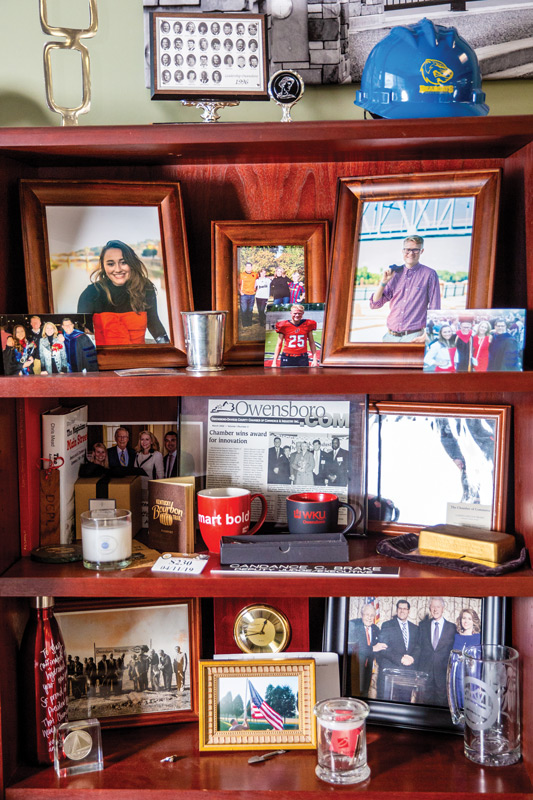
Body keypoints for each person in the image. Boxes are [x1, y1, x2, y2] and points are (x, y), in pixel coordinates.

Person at [77, 239, 170, 346]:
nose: (118, 269)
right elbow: (81, 334)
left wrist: (169, 350)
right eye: (111, 264)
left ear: (131, 263)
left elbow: (154, 323)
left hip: (138, 357)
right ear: (103, 266)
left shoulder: (145, 287)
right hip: (105, 359)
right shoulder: (91, 293)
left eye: (124, 262)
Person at [369, 235, 441, 343]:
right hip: (389, 337)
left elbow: (435, 308)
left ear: (421, 251)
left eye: (415, 250)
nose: (411, 253)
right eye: (408, 249)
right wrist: (383, 282)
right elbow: (375, 304)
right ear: (403, 251)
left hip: (414, 337)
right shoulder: (394, 274)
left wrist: (427, 335)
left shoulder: (430, 274)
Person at [376, 600, 421, 699]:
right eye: (400, 608)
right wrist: (400, 659)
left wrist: (412, 658)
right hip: (390, 673)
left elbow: (418, 647)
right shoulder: (387, 625)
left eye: (405, 608)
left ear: (408, 611)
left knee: (404, 704)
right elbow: (383, 649)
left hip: (407, 674)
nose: (402, 611)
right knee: (385, 703)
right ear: (397, 610)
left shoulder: (415, 628)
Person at [418, 597, 456, 705]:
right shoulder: (422, 625)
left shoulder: (452, 628)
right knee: (425, 704)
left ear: (443, 608)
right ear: (430, 608)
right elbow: (419, 647)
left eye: (438, 606)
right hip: (425, 672)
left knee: (441, 704)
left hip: (442, 673)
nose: (435, 609)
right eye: (433, 606)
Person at [347, 604, 387, 696]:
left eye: (372, 615)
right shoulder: (353, 625)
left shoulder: (375, 629)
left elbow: (381, 645)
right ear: (362, 615)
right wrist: (373, 648)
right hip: (354, 667)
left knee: (364, 693)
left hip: (368, 668)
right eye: (367, 614)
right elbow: (354, 647)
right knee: (354, 693)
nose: (369, 618)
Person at [238, 261, 258, 328]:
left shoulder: (255, 274)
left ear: (251, 267)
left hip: (252, 295)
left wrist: (256, 290)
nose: (249, 268)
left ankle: (249, 323)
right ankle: (244, 323)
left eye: (250, 266)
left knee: (250, 310)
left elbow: (258, 283)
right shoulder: (241, 275)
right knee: (244, 310)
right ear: (245, 267)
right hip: (244, 295)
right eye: (247, 266)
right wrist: (240, 292)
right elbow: (237, 284)